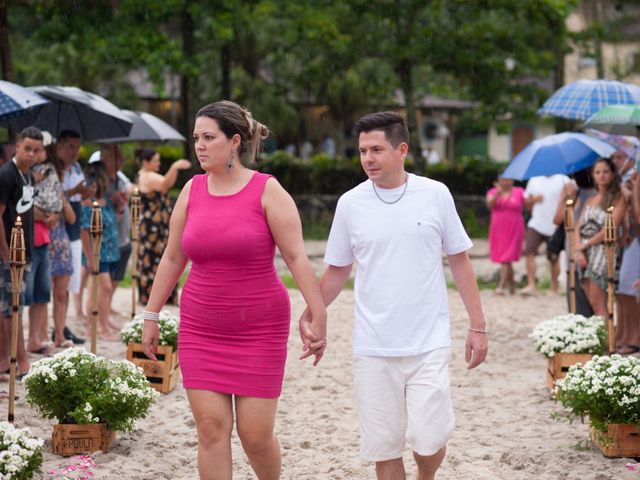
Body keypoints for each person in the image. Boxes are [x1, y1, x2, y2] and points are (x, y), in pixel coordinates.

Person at [140, 100, 327, 479]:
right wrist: (151, 314)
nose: (200, 146)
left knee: (255, 436)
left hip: (259, 329)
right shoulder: (191, 191)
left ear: (235, 141)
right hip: (202, 328)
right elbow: (173, 258)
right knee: (211, 430)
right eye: (196, 138)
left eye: (209, 137)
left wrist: (318, 312)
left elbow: (296, 258)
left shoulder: (267, 191)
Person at [299, 111, 488, 480]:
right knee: (384, 446)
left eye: (376, 150)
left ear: (402, 150)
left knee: (429, 439)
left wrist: (477, 326)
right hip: (373, 345)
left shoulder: (435, 195)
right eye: (362, 151)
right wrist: (312, 311)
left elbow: (460, 262)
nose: (367, 158)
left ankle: (426, 475)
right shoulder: (351, 204)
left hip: (428, 341)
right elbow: (338, 269)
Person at [0, 126, 43, 381]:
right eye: (27, 148)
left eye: (36, 150)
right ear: (17, 146)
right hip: (9, 253)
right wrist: (6, 254)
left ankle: (5, 359)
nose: (31, 154)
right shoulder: (7, 174)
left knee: (10, 305)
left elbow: (25, 211)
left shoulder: (28, 175)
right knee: (12, 306)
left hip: (25, 250)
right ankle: (22, 360)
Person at [135, 148, 191, 305]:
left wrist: (173, 171)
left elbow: (167, 182)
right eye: (155, 161)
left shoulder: (148, 175)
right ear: (145, 162)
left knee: (161, 257)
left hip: (156, 224)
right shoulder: (146, 176)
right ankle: (155, 296)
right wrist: (174, 167)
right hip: (152, 226)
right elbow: (164, 185)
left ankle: (162, 295)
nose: (158, 163)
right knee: (156, 258)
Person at [574, 157, 626, 318]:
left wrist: (586, 244)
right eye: (598, 172)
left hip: (603, 251)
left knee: (599, 303)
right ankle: (601, 339)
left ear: (612, 174)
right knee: (592, 302)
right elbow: (578, 227)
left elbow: (610, 229)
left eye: (605, 171)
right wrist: (579, 250)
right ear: (593, 175)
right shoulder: (590, 200)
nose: (601, 175)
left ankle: (607, 341)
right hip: (585, 251)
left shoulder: (618, 198)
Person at [79, 152, 120, 341]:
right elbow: (85, 232)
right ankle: (94, 326)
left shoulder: (106, 202)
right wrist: (89, 257)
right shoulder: (89, 205)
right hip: (98, 253)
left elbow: (113, 222)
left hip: (110, 252)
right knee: (99, 287)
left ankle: (102, 323)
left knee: (105, 288)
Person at [551, 168, 596, 316]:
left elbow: (557, 219)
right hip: (589, 252)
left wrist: (566, 198)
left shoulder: (574, 193)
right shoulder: (598, 193)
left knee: (578, 297)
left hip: (578, 251)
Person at [45, 142, 77, 348]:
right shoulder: (42, 191)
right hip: (46, 243)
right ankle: (41, 333)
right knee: (43, 293)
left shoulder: (61, 194)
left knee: (61, 293)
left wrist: (63, 200)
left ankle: (59, 333)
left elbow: (72, 219)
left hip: (62, 244)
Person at [58, 130, 88, 344]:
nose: (75, 152)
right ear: (60, 146)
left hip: (75, 228)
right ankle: (57, 329)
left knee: (70, 285)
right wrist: (73, 191)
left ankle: (61, 326)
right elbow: (54, 197)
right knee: (59, 286)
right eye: (70, 147)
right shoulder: (55, 170)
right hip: (60, 229)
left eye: (77, 147)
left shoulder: (77, 168)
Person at [521, 173, 570, 295]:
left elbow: (572, 200)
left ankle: (554, 287)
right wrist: (533, 200)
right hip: (536, 224)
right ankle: (531, 284)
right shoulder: (534, 179)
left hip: (555, 226)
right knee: (529, 251)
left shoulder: (563, 179)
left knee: (553, 257)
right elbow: (526, 203)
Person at [102, 144, 133, 316]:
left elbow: (129, 186)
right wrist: (115, 201)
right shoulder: (102, 179)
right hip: (108, 237)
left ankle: (106, 308)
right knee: (104, 281)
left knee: (116, 278)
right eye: (117, 158)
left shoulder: (119, 178)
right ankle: (100, 315)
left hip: (122, 235)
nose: (121, 161)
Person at [486, 176, 525, 295]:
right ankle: (512, 286)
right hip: (498, 229)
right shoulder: (493, 192)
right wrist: (498, 193)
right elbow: (489, 205)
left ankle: (501, 285)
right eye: (502, 179)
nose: (505, 182)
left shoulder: (519, 192)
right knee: (505, 258)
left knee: (506, 257)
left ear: (512, 180)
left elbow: (528, 204)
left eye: (507, 179)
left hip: (515, 228)